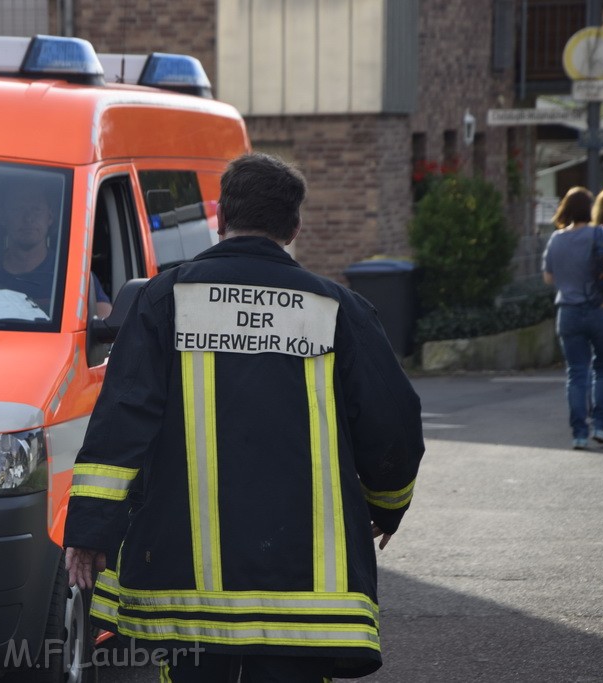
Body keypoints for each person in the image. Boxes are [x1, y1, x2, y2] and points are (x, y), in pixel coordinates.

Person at [63, 152, 425, 682]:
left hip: (186, 584)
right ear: (294, 226)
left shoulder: (163, 299)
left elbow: (121, 422)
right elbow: (394, 425)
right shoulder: (338, 308)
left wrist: (91, 529)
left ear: (220, 217)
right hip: (304, 596)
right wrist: (386, 506)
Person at [0, 183, 112, 317]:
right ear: (3, 218)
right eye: (18, 209)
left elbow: (104, 321)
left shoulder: (72, 273)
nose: (28, 218)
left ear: (50, 217)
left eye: (36, 209)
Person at [544, 186, 603, 449]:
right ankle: (600, 425)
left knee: (576, 373)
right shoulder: (600, 234)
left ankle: (579, 434)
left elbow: (548, 277)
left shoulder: (556, 239)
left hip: (568, 312)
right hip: (601, 309)